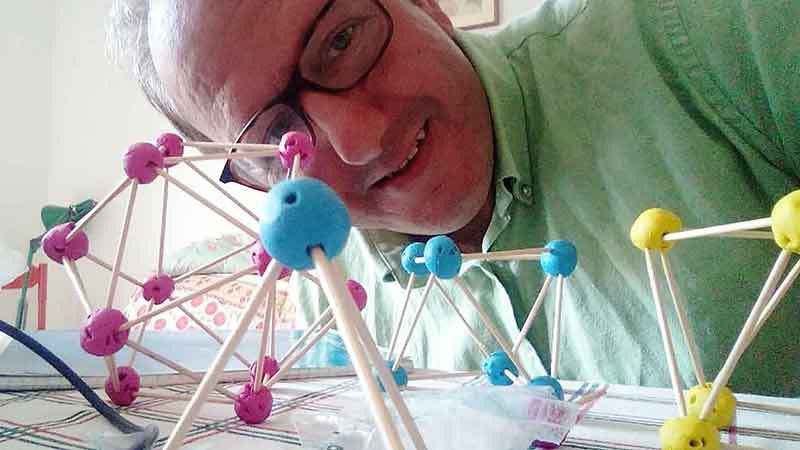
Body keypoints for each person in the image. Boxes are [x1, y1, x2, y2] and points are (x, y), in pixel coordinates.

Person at [109, 0, 799, 396]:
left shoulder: (715, 33)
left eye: (343, 39)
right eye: (277, 136)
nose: (357, 140)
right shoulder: (329, 296)